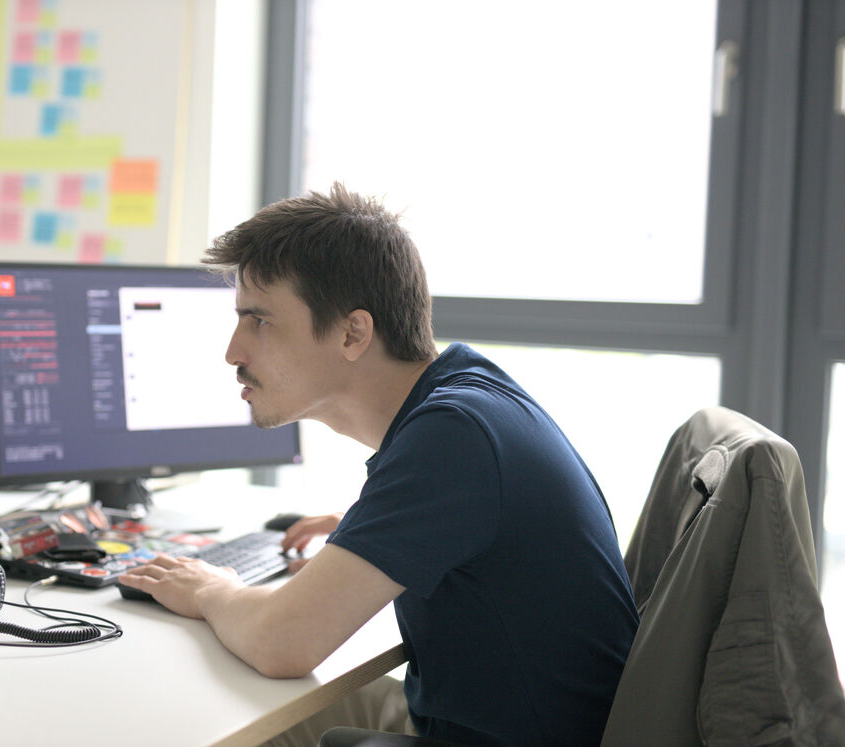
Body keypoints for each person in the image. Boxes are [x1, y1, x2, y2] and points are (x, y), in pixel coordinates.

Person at [118, 183, 640, 744]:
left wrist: (206, 586)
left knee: (214, 716)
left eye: (260, 321)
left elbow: (282, 644)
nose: (233, 351)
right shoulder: (468, 397)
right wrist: (364, 533)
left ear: (353, 333)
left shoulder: (453, 437)